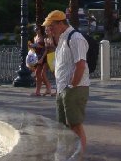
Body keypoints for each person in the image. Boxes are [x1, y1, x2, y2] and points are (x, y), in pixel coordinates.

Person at [43, 9, 89, 152]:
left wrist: (71, 86)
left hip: (74, 88)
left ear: (61, 23)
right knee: (63, 126)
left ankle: (78, 156)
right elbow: (59, 64)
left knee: (75, 125)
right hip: (63, 88)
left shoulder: (75, 38)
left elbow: (80, 65)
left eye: (51, 26)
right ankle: (69, 154)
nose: (48, 29)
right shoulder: (62, 38)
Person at [32, 24, 54, 96]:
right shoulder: (45, 39)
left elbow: (46, 49)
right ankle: (41, 90)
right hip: (44, 56)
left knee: (54, 73)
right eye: (46, 30)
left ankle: (50, 89)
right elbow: (46, 49)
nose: (46, 31)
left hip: (51, 56)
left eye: (47, 30)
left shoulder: (53, 38)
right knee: (38, 73)